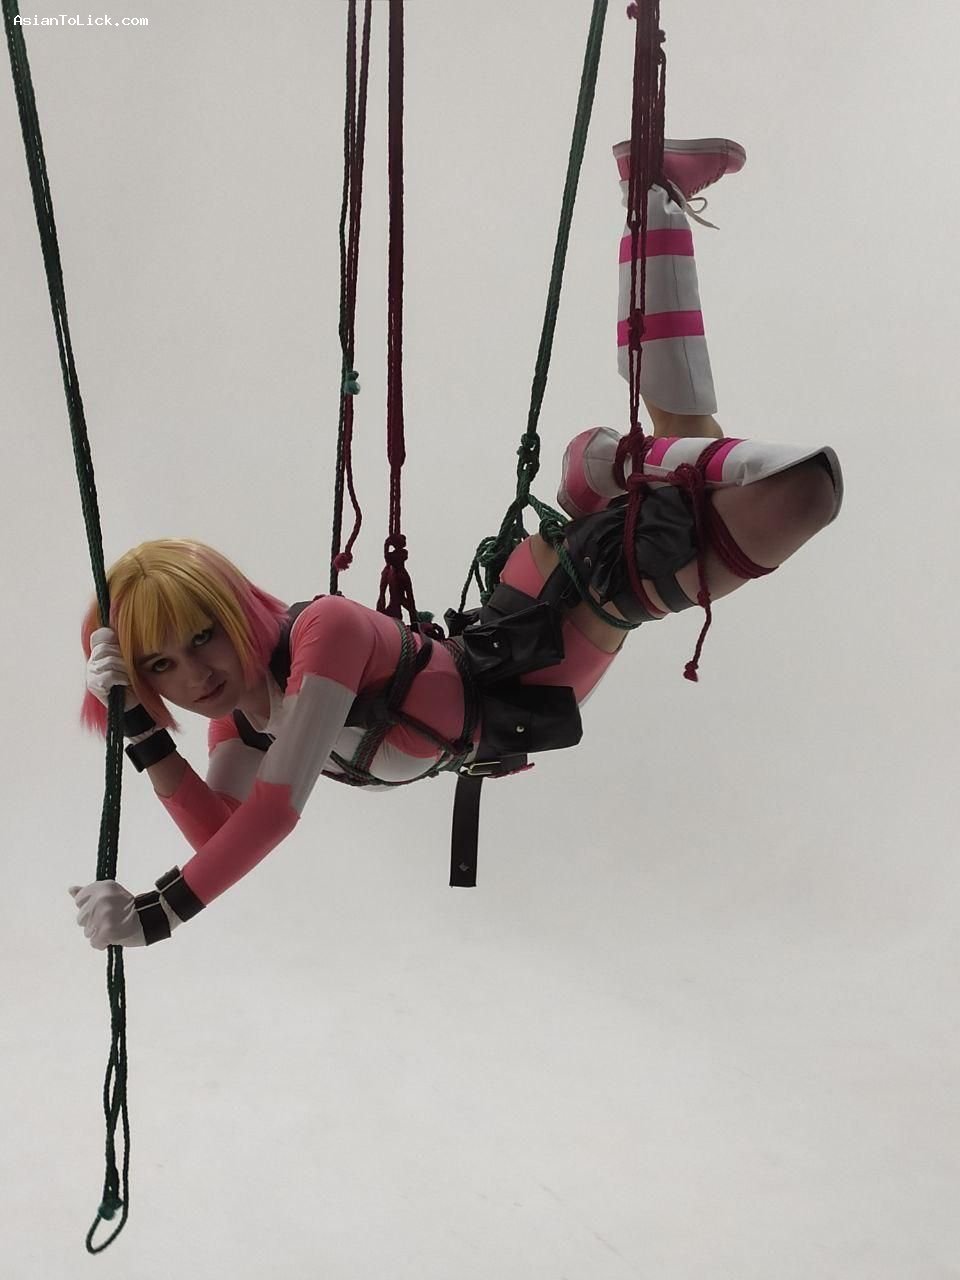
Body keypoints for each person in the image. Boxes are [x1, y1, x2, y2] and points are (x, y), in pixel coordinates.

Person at [70, 137, 843, 949]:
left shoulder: (322, 637)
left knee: (798, 492)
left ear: (234, 608)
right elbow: (218, 837)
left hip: (543, 638)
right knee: (694, 439)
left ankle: (609, 465)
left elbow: (272, 816)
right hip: (514, 638)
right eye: (161, 667)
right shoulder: (241, 722)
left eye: (202, 638)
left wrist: (155, 915)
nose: (195, 675)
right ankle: (651, 208)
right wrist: (141, 731)